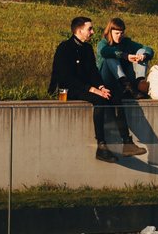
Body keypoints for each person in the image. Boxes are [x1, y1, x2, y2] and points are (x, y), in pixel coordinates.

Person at [49, 15, 146, 161]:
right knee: (99, 100)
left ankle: (127, 142)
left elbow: (93, 71)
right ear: (79, 31)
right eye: (90, 29)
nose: (93, 32)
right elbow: (66, 78)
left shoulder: (87, 48)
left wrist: (101, 86)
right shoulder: (65, 48)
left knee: (113, 96)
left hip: (86, 87)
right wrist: (92, 89)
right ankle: (101, 146)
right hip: (69, 89)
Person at [97, 17, 154, 98]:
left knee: (141, 51)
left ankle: (139, 83)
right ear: (110, 32)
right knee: (111, 55)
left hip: (128, 78)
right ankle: (125, 84)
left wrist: (144, 55)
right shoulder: (103, 43)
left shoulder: (126, 42)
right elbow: (104, 52)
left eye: (121, 33)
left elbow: (148, 49)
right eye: (117, 33)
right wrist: (125, 56)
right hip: (108, 79)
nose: (119, 36)